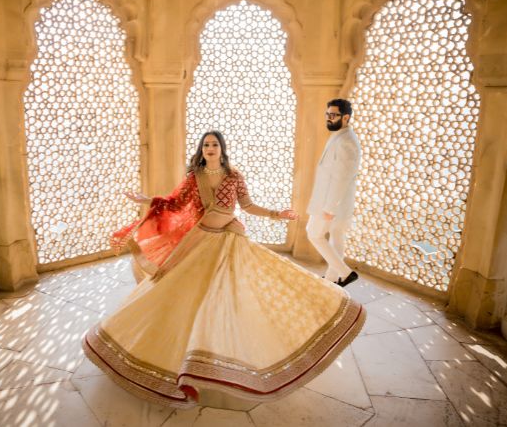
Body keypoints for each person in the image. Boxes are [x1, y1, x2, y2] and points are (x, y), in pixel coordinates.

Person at [82, 131, 365, 408]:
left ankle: (218, 360)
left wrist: (277, 214)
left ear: (222, 148)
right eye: (205, 144)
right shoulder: (195, 177)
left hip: (229, 240)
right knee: (180, 297)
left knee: (231, 297)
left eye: (214, 144)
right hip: (201, 241)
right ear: (201, 150)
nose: (209, 148)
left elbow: (248, 206)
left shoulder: (234, 176)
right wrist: (148, 201)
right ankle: (180, 361)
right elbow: (175, 203)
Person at [307, 98, 362, 287]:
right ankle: (332, 279)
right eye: (327, 114)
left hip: (332, 203)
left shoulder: (347, 141)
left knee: (313, 234)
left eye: (333, 115)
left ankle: (345, 273)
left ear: (345, 117)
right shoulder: (340, 135)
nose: (329, 118)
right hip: (336, 202)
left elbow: (342, 178)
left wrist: (330, 207)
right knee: (337, 237)